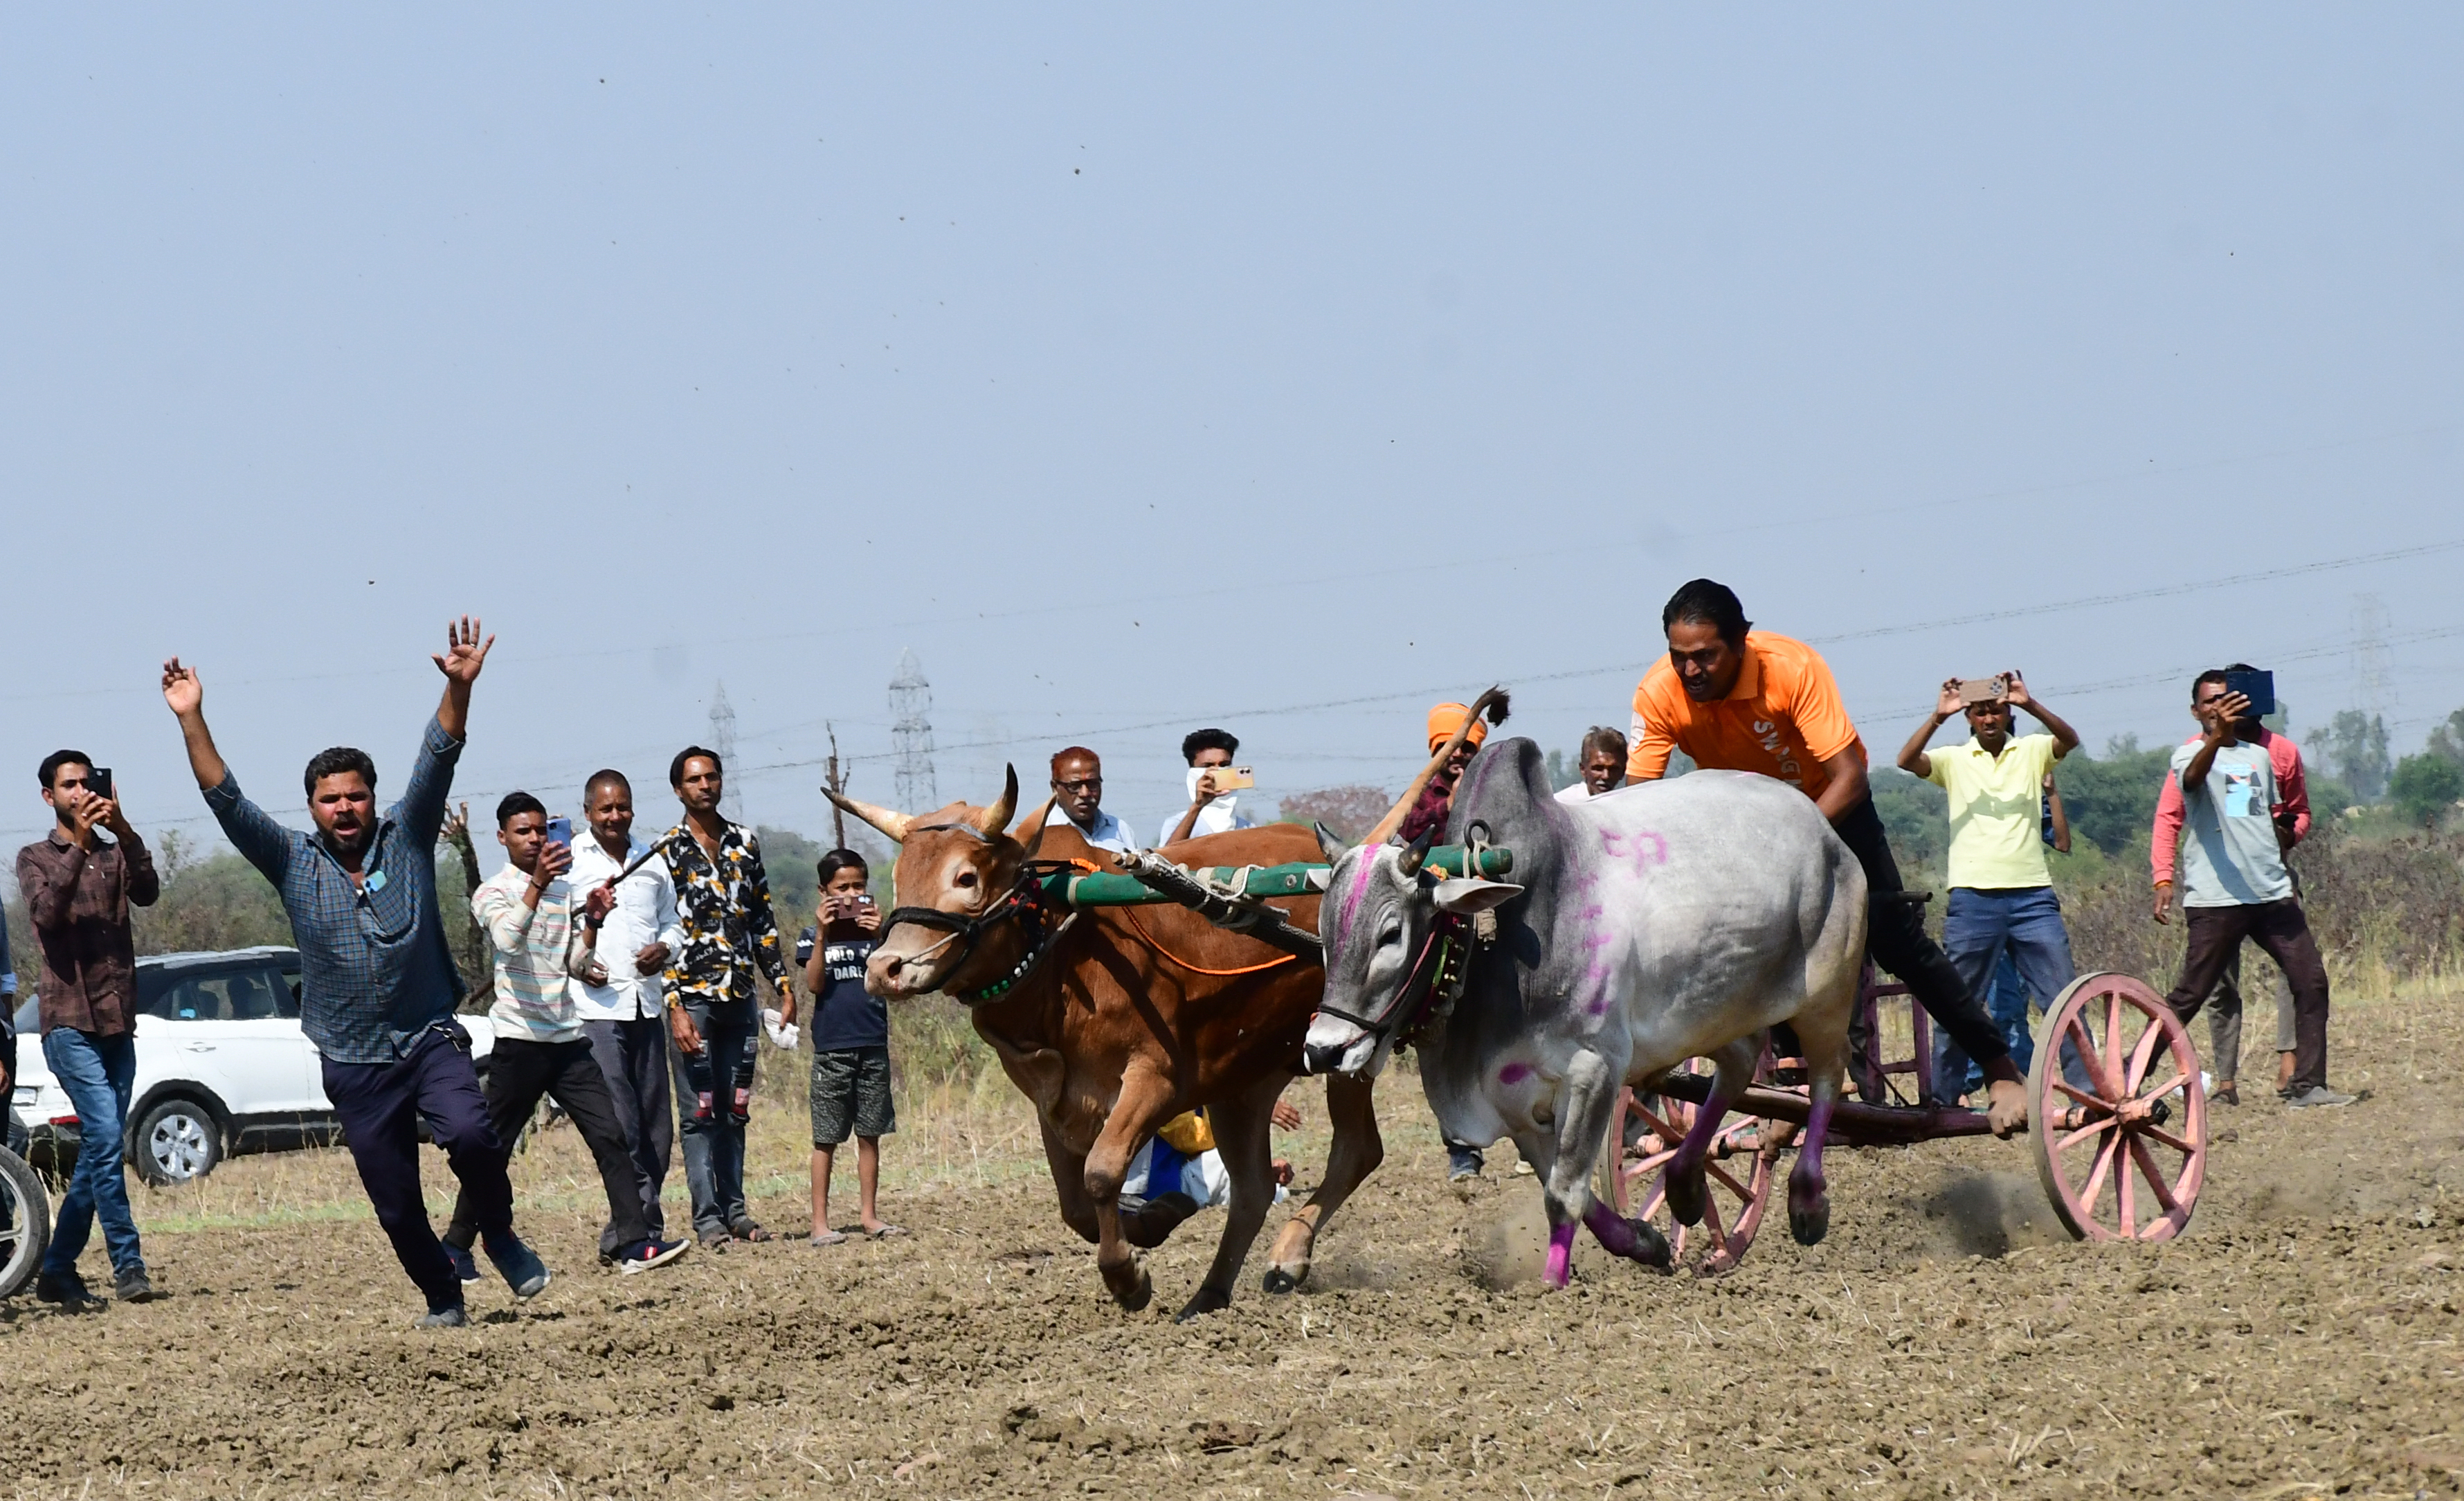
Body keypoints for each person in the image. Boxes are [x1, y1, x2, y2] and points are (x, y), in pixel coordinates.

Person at [163, 618, 546, 1327]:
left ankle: (499, 1232)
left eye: (356, 795)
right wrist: (193, 717)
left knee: (470, 1133)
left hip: (427, 1033)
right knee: (395, 1198)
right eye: (330, 799)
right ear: (311, 807)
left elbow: (438, 755)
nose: (346, 808)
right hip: (352, 1055)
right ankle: (442, 1292)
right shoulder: (291, 861)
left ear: (374, 798)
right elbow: (227, 800)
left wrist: (457, 687)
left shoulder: (409, 833)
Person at [1626, 579, 2031, 1135]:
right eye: (1680, 659)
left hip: (1833, 808)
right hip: (1743, 827)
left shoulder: (1792, 667)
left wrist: (1791, 850)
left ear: (1741, 642)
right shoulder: (1657, 693)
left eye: (1705, 657)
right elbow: (1636, 803)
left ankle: (2000, 1066)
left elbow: (1850, 776)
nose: (1691, 672)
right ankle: (1795, 1076)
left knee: (1895, 937)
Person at [441, 793, 689, 1279]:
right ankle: (455, 1245)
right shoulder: (493, 892)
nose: (534, 840)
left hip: (568, 1040)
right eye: (523, 832)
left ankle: (635, 1244)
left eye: (540, 830)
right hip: (520, 1041)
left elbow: (576, 963)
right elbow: (509, 941)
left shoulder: (564, 891)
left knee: (611, 1136)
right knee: (495, 1151)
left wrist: (592, 920)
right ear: (502, 839)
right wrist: (538, 885)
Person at [2155, 670, 2350, 1108]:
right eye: (2209, 703)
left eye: (2226, 699)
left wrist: (2280, 840)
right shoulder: (2188, 756)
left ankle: (2308, 1084)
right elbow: (2191, 786)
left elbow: (2248, 817)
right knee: (2191, 995)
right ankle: (2134, 1069)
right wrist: (2216, 738)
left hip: (2269, 895)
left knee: (2311, 981)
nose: (2218, 707)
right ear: (2196, 711)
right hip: (2217, 900)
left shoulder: (2256, 759)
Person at [1894, 672, 2082, 1106]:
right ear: (1970, 719)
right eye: (1979, 711)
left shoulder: (2032, 751)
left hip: (2032, 897)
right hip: (1973, 898)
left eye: (1995, 709)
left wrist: (2031, 703)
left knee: (2063, 999)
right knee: (1957, 1002)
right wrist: (1938, 716)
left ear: (2007, 713)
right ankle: (1943, 1097)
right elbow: (1906, 760)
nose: (1988, 717)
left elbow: (2069, 740)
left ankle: (2086, 1095)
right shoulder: (1954, 760)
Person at [17, 749, 161, 1306]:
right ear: (49, 796)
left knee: (101, 1150)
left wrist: (120, 827)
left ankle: (56, 1269)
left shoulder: (115, 854)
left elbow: (147, 891)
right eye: (69, 785)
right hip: (68, 1021)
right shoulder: (34, 856)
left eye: (88, 783)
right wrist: (79, 843)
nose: (81, 792)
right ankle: (129, 1264)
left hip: (118, 1019)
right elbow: (47, 914)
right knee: (104, 1137)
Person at [661, 746, 790, 1248]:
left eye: (712, 777)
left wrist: (780, 984)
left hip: (739, 999)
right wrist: (673, 1006)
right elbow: (659, 935)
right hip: (692, 1001)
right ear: (679, 789)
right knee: (699, 1113)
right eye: (695, 780)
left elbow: (762, 919)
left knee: (734, 1109)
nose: (705, 786)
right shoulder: (666, 850)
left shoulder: (744, 843)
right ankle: (707, 1219)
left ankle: (737, 1211)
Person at [567, 769, 685, 1261]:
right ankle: (641, 1235)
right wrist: (579, 964)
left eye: (623, 807)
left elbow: (673, 922)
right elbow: (557, 931)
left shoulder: (651, 859)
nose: (615, 817)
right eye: (605, 809)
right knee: (623, 1126)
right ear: (588, 811)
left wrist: (666, 948)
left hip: (646, 1004)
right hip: (597, 1010)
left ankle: (623, 1232)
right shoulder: (571, 861)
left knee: (658, 1129)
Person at [792, 849, 903, 1245]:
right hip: (832, 1049)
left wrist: (879, 938)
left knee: (869, 1133)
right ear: (824, 892)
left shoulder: (881, 935)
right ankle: (820, 1223)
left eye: (859, 886)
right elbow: (815, 984)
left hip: (872, 1043)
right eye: (842, 888)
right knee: (826, 1137)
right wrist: (822, 934)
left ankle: (869, 1216)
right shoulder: (811, 936)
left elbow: (894, 982)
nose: (852, 895)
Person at [1401, 703, 1489, 844]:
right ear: (1435, 753)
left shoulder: (1491, 793)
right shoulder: (1418, 798)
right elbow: (1410, 832)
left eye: (1466, 747)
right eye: (1449, 747)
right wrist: (1449, 804)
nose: (1458, 754)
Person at [1160, 728, 1256, 847]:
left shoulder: (1247, 828)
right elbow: (1165, 859)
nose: (1217, 771)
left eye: (1224, 765)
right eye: (1208, 766)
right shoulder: (1177, 824)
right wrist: (1197, 806)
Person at [1044, 747, 1143, 854]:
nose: (1085, 793)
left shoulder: (1120, 829)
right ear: (1055, 788)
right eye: (1074, 786)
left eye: (1092, 784)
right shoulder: (1041, 835)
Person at [1554, 726, 1629, 804]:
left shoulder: (1625, 806)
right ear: (1583, 769)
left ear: (1623, 772)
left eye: (1613, 769)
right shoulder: (1561, 804)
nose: (1606, 776)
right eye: (1598, 769)